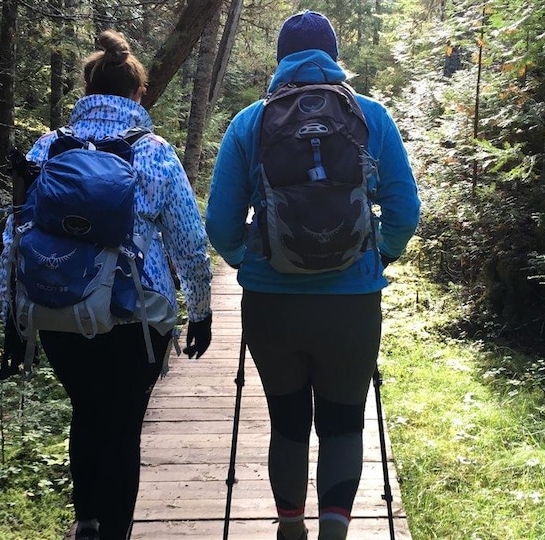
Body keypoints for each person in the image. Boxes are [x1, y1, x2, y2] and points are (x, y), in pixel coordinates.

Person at [205, 10, 420, 540]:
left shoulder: (250, 122)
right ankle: (334, 532)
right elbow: (404, 208)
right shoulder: (371, 116)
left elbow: (220, 222)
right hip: (351, 301)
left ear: (281, 60)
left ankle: (290, 526)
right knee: (344, 421)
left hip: (272, 302)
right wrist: (380, 255)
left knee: (288, 421)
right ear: (333, 57)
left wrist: (245, 259)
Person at [0, 30, 213, 540]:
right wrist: (200, 310)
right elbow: (187, 239)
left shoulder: (48, 146)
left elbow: (14, 236)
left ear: (87, 88)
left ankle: (87, 523)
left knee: (87, 412)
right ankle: (114, 530)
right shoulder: (154, 151)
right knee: (122, 425)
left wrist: (11, 317)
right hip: (135, 315)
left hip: (57, 308)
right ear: (138, 94)